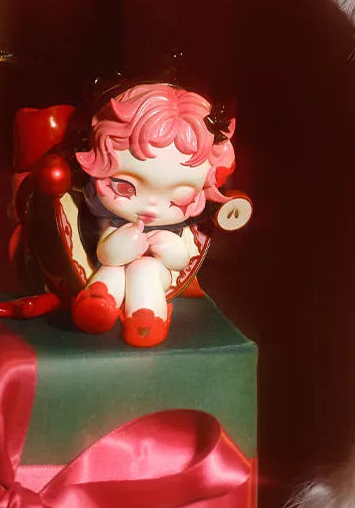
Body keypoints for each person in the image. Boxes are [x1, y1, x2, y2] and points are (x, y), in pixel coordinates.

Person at [71, 83, 236, 346]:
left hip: (157, 272)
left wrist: (170, 247)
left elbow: (181, 261)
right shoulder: (109, 218)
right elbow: (105, 254)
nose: (149, 206)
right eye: (125, 186)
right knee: (112, 270)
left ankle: (146, 318)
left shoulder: (177, 228)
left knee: (146, 270)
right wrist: (119, 247)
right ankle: (98, 302)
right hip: (110, 266)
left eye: (179, 196)